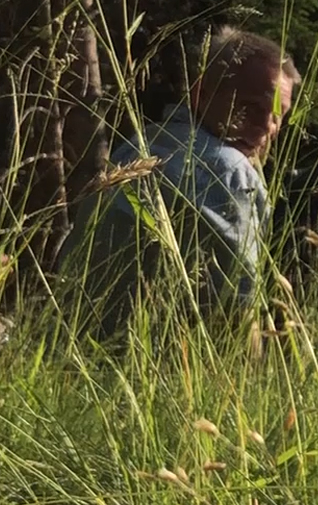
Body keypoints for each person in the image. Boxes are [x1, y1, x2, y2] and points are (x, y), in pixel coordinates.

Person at [63, 26, 300, 334]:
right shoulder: (228, 169)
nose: (268, 127)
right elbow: (236, 309)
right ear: (201, 94)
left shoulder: (139, 146)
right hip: (157, 354)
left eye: (278, 116)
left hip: (74, 342)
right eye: (252, 107)